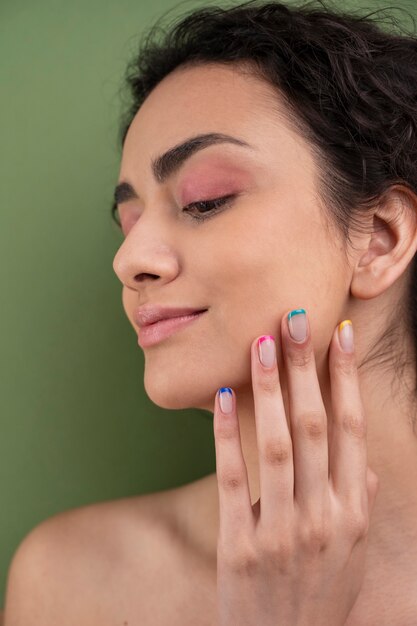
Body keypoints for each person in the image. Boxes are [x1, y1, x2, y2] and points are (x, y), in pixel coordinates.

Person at [4, 0, 417, 623]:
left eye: (205, 200)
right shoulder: (73, 581)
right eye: (129, 222)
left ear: (380, 238)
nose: (130, 260)